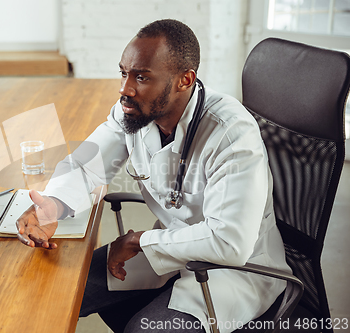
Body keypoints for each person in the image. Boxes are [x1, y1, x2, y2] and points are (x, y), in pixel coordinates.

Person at [15, 19, 291, 333]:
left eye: (142, 77)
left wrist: (141, 240)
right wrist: (54, 205)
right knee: (55, 286)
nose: (125, 89)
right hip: (171, 250)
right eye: (124, 73)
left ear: (184, 80)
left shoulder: (230, 133)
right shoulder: (135, 111)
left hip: (234, 272)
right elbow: (85, 165)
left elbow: (230, 242)